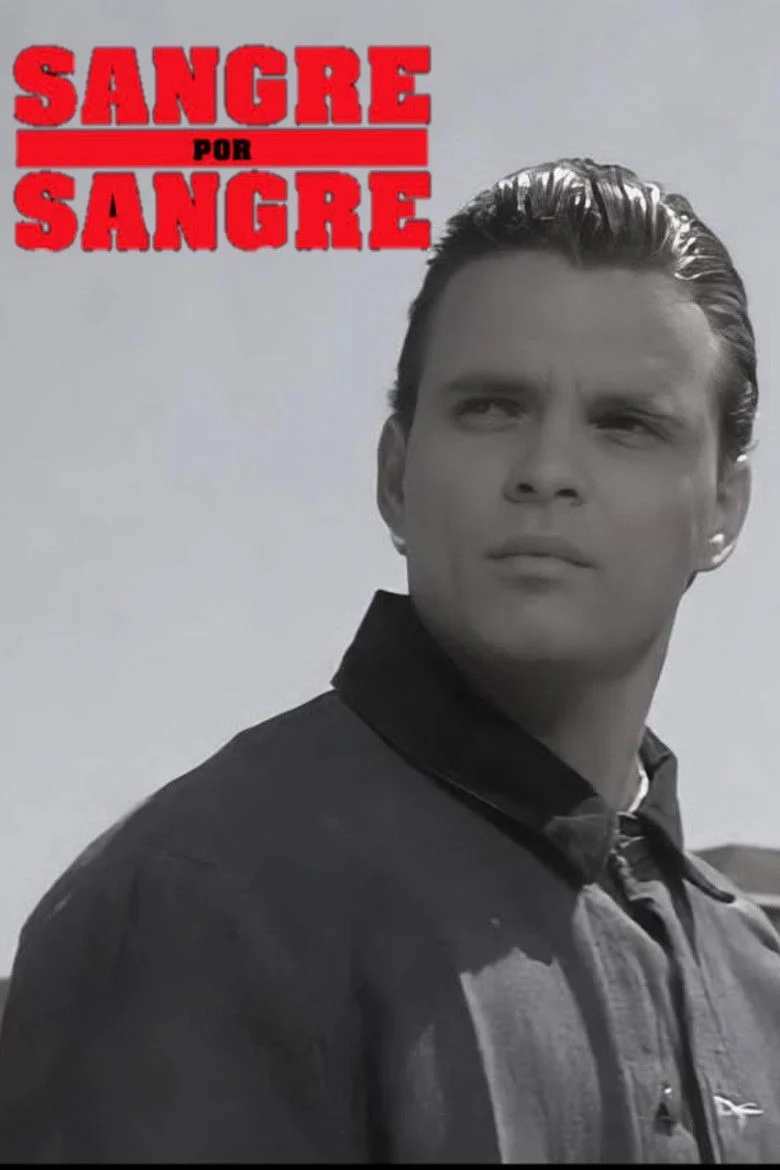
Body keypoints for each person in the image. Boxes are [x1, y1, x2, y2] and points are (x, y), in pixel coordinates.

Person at [0, 157, 776, 1163]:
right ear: (397, 475)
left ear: (724, 510)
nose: (546, 470)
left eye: (625, 424)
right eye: (492, 406)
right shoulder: (202, 902)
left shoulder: (755, 981)